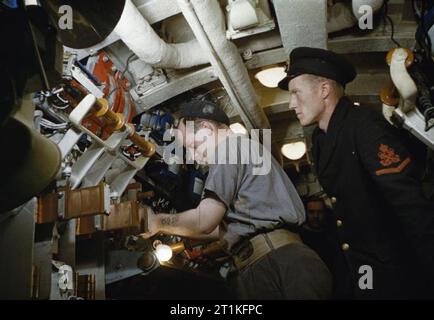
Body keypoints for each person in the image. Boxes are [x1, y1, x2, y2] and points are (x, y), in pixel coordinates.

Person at [278, 46, 434, 299]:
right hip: (362, 273)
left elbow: (411, 206)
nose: (291, 103)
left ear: (324, 89)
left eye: (296, 92)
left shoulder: (364, 126)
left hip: (395, 276)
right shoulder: (321, 140)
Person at [141, 99, 332, 299]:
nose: (193, 156)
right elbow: (224, 227)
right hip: (284, 261)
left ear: (206, 128)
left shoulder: (229, 149)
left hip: (276, 266)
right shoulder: (246, 149)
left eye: (192, 146)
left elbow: (205, 221)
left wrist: (158, 221)